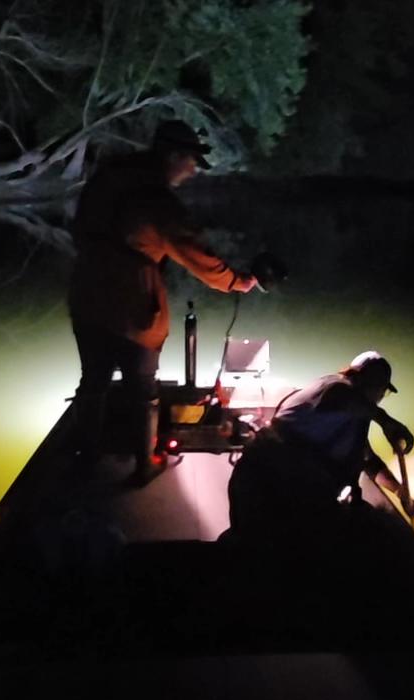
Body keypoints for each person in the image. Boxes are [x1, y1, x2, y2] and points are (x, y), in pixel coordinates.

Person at [67, 119, 258, 485]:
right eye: (190, 162)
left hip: (87, 295)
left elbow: (80, 227)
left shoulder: (109, 178)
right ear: (172, 155)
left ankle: (85, 458)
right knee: (143, 387)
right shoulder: (157, 200)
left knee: (93, 382)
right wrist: (236, 281)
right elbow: (194, 252)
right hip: (132, 305)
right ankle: (144, 465)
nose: (192, 171)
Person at [226, 350, 414, 547]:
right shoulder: (334, 387)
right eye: (380, 389)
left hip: (292, 489)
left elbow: (368, 460)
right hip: (262, 483)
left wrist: (399, 491)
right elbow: (342, 399)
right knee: (254, 548)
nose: (380, 396)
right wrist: (385, 421)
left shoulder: (355, 414)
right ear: (362, 378)